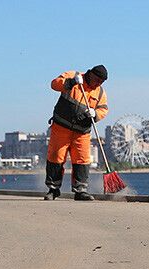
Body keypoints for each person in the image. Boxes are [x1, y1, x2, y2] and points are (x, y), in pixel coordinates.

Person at [44, 65, 109, 201]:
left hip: (82, 133)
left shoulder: (100, 93)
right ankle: (53, 189)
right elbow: (54, 84)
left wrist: (96, 113)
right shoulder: (73, 75)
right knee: (56, 157)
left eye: (101, 82)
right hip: (61, 128)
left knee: (82, 160)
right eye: (97, 80)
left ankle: (80, 191)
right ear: (90, 74)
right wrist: (71, 82)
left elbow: (103, 109)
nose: (98, 84)